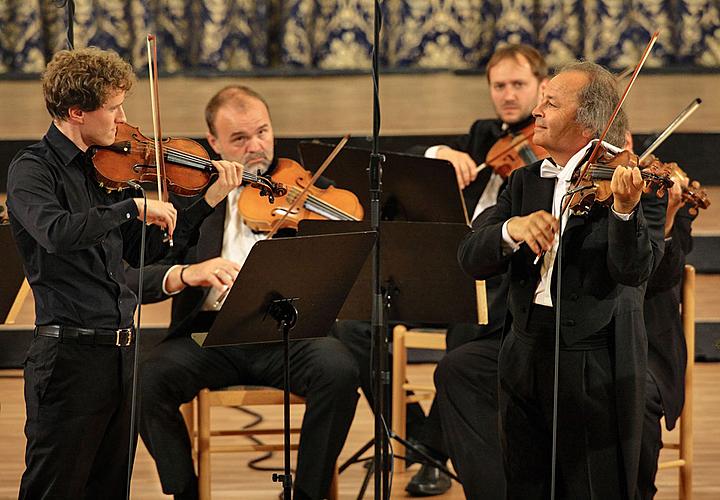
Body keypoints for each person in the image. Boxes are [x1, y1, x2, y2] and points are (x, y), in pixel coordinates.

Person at [6, 48, 243, 500]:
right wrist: (130, 208)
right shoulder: (33, 170)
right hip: (69, 358)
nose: (123, 118)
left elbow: (143, 254)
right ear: (77, 112)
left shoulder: (106, 170)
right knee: (54, 488)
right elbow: (57, 232)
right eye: (113, 108)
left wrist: (206, 201)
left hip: (122, 353)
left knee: (110, 489)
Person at [332, 44, 549, 497]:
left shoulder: (547, 149)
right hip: (449, 262)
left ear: (542, 87)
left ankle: (431, 451)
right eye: (499, 85)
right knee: (356, 324)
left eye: (519, 85)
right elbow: (406, 163)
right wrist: (438, 152)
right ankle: (414, 433)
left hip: (497, 275)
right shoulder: (483, 132)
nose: (508, 95)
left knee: (464, 337)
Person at [127, 85, 360, 500]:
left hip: (287, 333)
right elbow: (152, 270)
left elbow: (344, 262)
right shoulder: (188, 198)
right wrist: (190, 270)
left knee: (339, 369)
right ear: (213, 143)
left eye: (263, 132)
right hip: (207, 334)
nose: (256, 147)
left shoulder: (304, 191)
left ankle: (307, 493)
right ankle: (185, 491)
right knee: (146, 380)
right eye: (239, 139)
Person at [457, 61, 666, 499]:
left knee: (592, 487)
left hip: (594, 361)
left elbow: (632, 270)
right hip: (524, 350)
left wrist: (624, 211)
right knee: (527, 483)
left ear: (587, 121)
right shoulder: (524, 181)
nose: (536, 111)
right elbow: (470, 258)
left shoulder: (629, 183)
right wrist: (509, 230)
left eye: (550, 103)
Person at [638, 162, 695, 498]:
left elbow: (663, 279)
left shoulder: (661, 189)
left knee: (635, 396)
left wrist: (668, 218)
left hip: (647, 342)